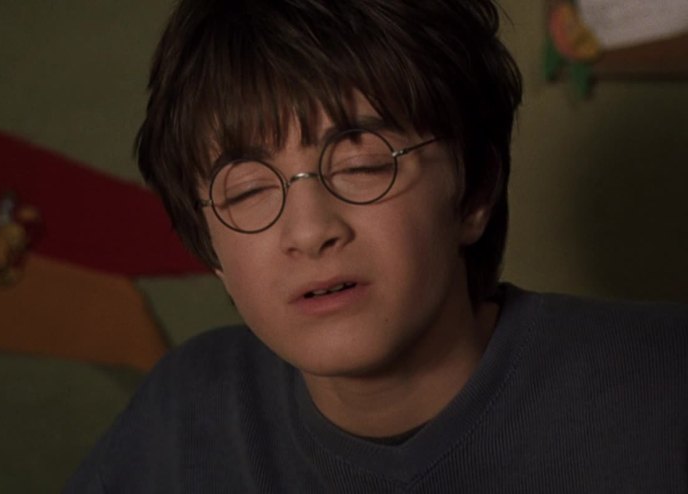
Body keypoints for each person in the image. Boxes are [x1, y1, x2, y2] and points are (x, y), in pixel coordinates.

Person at [66, 0, 688, 491]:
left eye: (362, 165)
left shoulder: (662, 387)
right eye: (248, 189)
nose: (309, 231)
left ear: (474, 192)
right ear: (212, 252)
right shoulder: (184, 413)